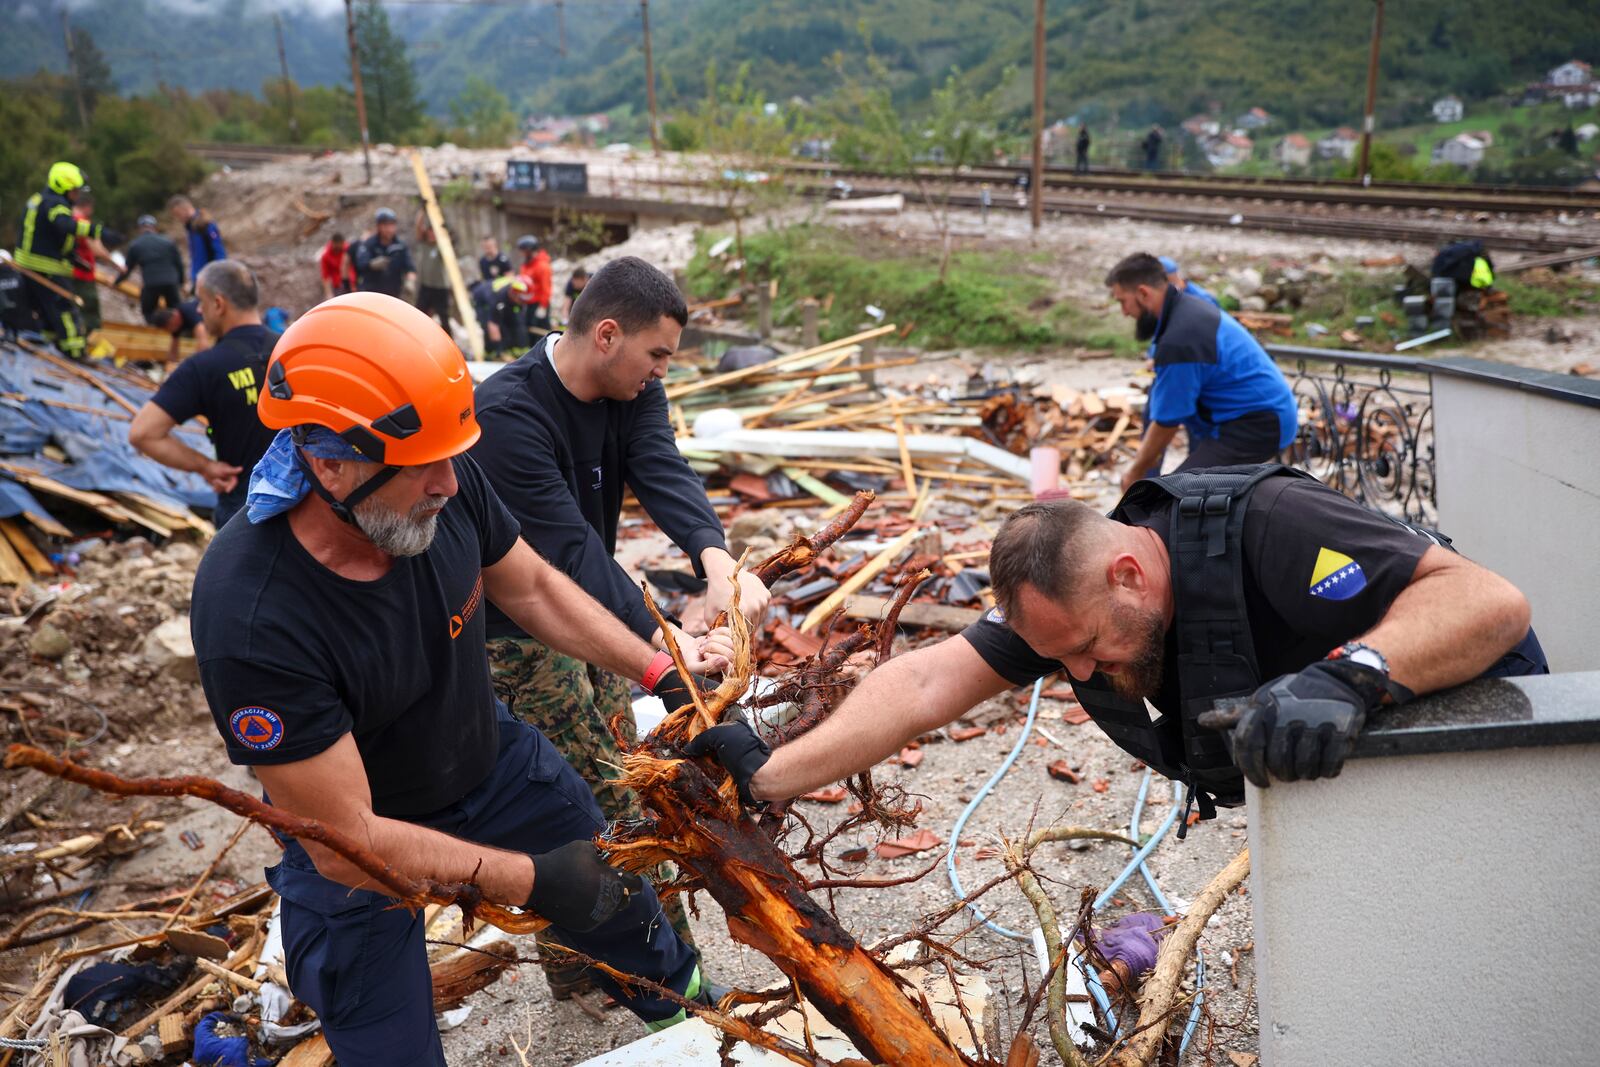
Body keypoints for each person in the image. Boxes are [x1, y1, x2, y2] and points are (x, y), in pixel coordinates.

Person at [190, 292, 713, 1063]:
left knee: (625, 908)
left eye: (449, 455)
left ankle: (695, 1021)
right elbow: (345, 841)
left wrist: (660, 671)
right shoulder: (253, 612)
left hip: (489, 760)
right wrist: (533, 879)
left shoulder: (441, 471)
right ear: (329, 460)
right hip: (361, 837)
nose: (449, 482)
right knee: (386, 1043)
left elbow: (531, 586)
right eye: (422, 466)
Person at [688, 464, 1547, 831]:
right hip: (1347, 771)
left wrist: (1353, 674)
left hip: (1480, 740)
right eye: (1065, 661)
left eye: (1091, 648)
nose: (1085, 674)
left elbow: (1490, 601)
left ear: (1131, 574)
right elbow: (924, 683)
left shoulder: (1275, 527)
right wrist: (771, 772)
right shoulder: (1067, 606)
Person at [471, 255, 770, 999]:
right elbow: (565, 548)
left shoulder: (632, 391)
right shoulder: (508, 413)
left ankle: (586, 968)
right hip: (517, 643)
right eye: (658, 354)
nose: (663, 371)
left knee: (606, 785)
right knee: (600, 799)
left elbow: (660, 466)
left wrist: (716, 561)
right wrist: (669, 639)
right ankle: (674, 985)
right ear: (607, 334)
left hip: (593, 625)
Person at [1107, 252, 1298, 490]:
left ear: (1144, 293)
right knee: (1186, 492)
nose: (1124, 312)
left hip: (1257, 425)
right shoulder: (1183, 308)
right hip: (1247, 416)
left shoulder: (1180, 339)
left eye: (1122, 301)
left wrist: (1134, 473)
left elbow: (1167, 422)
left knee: (1175, 499)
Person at [129, 261, 278, 528]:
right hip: (307, 509)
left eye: (201, 301)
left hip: (245, 514)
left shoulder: (203, 368)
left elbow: (142, 433)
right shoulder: (294, 349)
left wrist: (206, 466)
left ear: (218, 304)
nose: (198, 310)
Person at [12, 162, 121, 360]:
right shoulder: (55, 204)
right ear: (63, 187)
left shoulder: (39, 199)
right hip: (45, 266)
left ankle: (50, 343)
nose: (77, 194)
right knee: (65, 308)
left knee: (44, 309)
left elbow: (48, 235)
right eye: (75, 190)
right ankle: (75, 350)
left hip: (28, 264)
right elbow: (64, 226)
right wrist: (98, 231)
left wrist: (73, 258)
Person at [115, 216, 186, 323]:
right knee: (176, 311)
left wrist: (116, 282)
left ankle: (154, 332)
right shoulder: (168, 242)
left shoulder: (135, 245)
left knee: (148, 312)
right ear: (155, 228)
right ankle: (180, 334)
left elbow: (127, 269)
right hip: (171, 282)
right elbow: (179, 265)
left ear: (140, 229)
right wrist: (181, 283)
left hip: (151, 283)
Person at [352, 208, 416, 298]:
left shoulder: (400, 246)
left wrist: (410, 282)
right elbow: (360, 264)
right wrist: (372, 264)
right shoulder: (369, 244)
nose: (389, 229)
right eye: (385, 225)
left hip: (393, 296)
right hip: (371, 295)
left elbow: (410, 268)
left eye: (392, 225)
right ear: (379, 226)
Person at [167, 196, 226, 291]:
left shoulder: (205, 224)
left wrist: (219, 274)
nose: (178, 218)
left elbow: (219, 251)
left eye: (178, 214)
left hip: (210, 277)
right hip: (200, 277)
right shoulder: (191, 228)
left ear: (185, 209)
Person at [68, 192, 104, 334]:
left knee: (74, 307)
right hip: (83, 274)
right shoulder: (82, 222)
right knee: (90, 310)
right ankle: (90, 338)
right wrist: (117, 266)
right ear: (88, 207)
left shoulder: (68, 220)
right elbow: (97, 250)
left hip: (69, 271)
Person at [470, 273, 526, 359]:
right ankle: (491, 352)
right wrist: (499, 348)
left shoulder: (517, 288)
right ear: (512, 292)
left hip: (495, 293)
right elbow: (493, 325)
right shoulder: (498, 298)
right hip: (480, 299)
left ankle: (508, 348)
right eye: (518, 297)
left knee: (510, 320)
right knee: (487, 323)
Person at [413, 213, 451, 328]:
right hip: (426, 286)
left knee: (443, 316)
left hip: (440, 287)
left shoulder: (441, 246)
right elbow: (418, 227)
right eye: (430, 231)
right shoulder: (424, 244)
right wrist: (423, 211)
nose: (432, 234)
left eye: (434, 231)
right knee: (418, 314)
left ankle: (448, 340)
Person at [515, 233, 552, 337]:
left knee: (541, 335)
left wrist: (543, 306)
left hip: (539, 305)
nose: (522, 254)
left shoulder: (542, 266)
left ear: (529, 250)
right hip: (527, 305)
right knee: (529, 333)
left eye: (523, 251)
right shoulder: (525, 266)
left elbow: (546, 288)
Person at [317, 233, 357, 301]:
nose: (340, 247)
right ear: (333, 243)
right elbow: (325, 276)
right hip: (338, 287)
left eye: (341, 245)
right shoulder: (326, 256)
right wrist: (328, 293)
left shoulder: (347, 248)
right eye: (338, 245)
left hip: (352, 282)